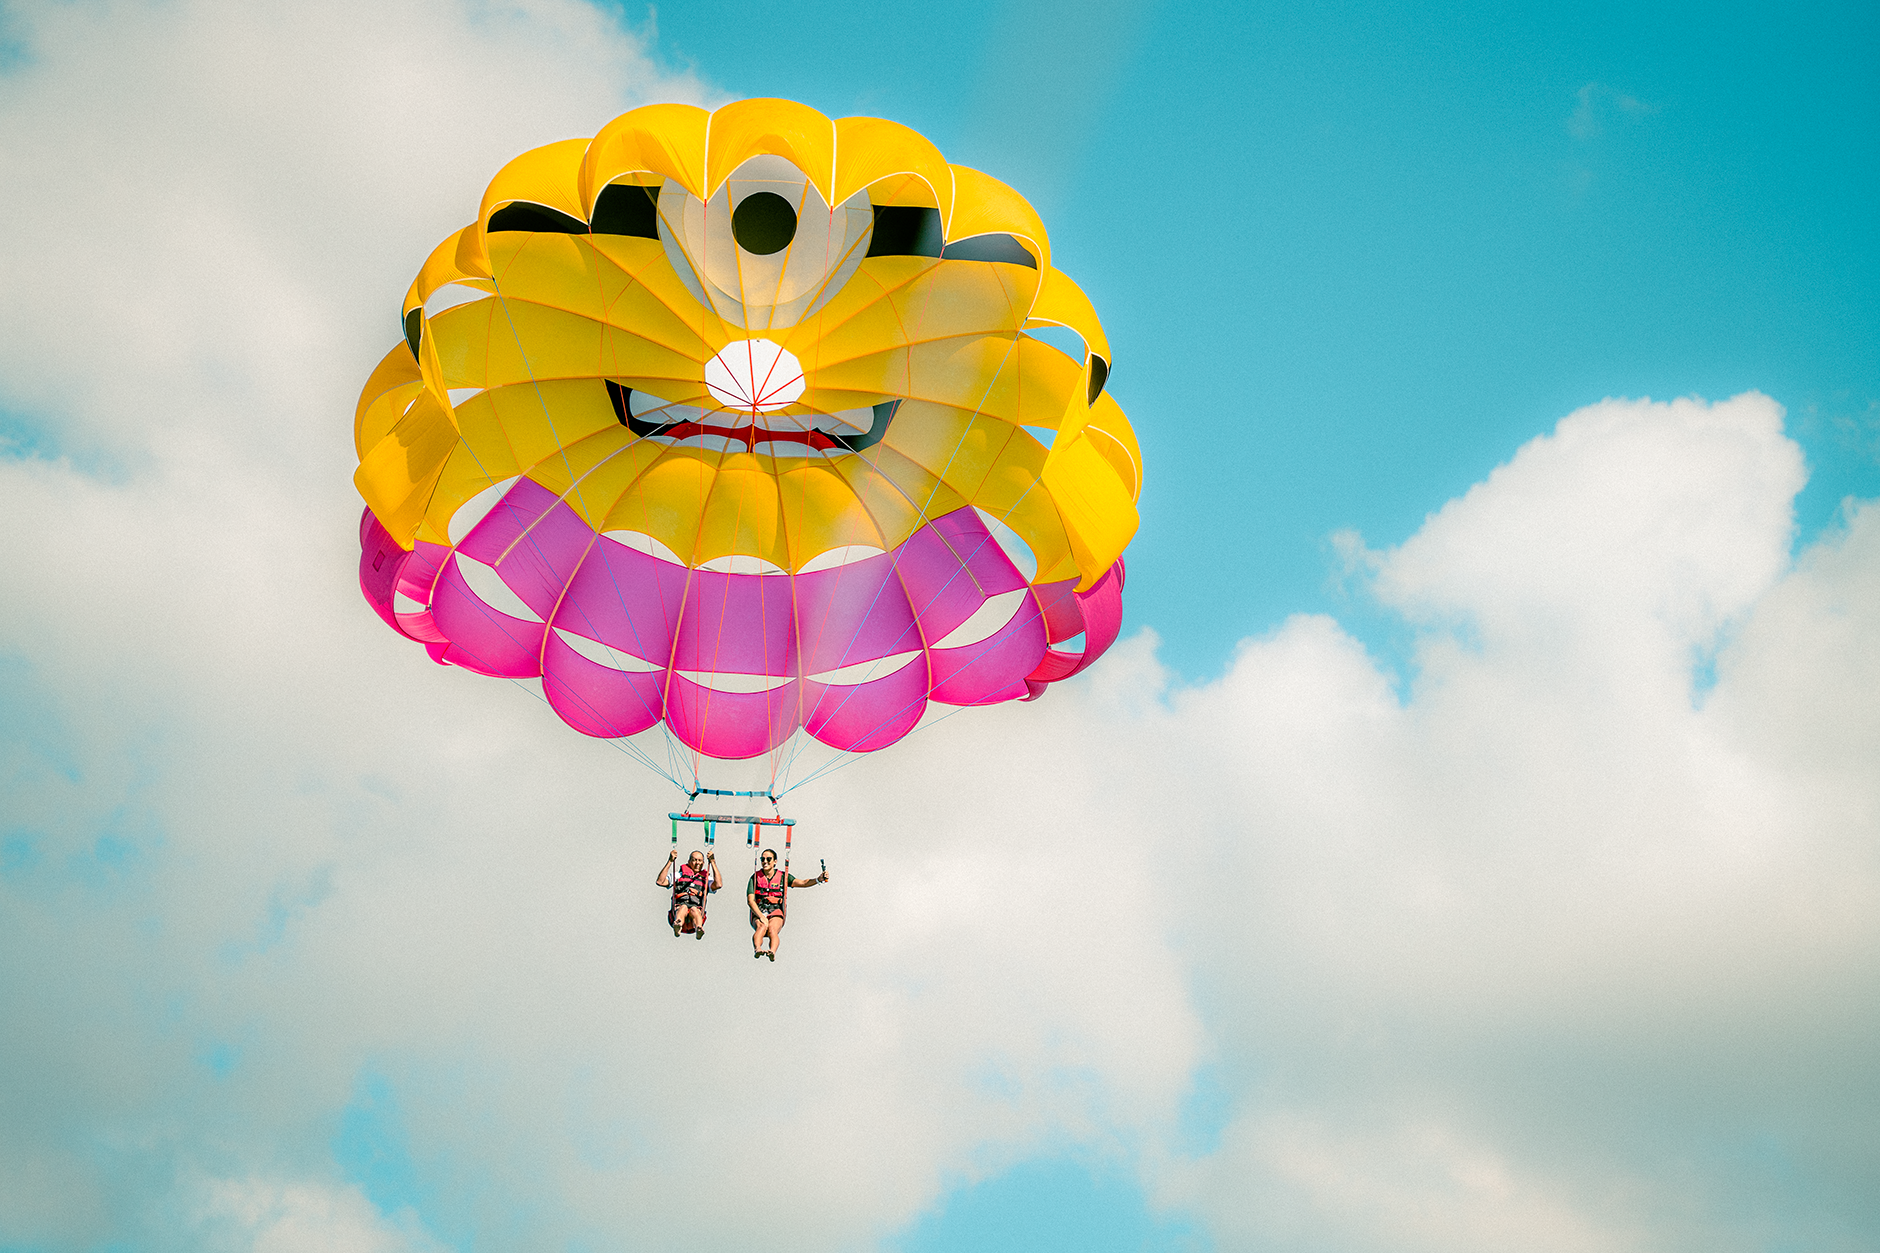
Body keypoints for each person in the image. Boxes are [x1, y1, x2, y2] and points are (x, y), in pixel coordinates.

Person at [747, 849, 827, 961]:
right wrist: (761, 916)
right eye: (762, 859)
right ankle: (758, 949)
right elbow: (750, 901)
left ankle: (772, 952)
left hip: (776, 911)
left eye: (768, 859)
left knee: (772, 929)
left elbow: (803, 883)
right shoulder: (755, 878)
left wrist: (818, 879)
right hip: (760, 910)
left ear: (775, 861)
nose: (765, 861)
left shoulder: (783, 877)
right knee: (761, 926)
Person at [657, 848, 720, 938]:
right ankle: (678, 925)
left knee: (694, 910)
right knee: (683, 908)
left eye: (699, 860)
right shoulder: (679, 875)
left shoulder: (706, 879)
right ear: (689, 861)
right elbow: (660, 882)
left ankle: (698, 928)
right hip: (678, 910)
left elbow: (718, 884)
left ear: (703, 863)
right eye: (694, 860)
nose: (697, 863)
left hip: (695, 914)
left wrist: (713, 862)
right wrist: (670, 861)